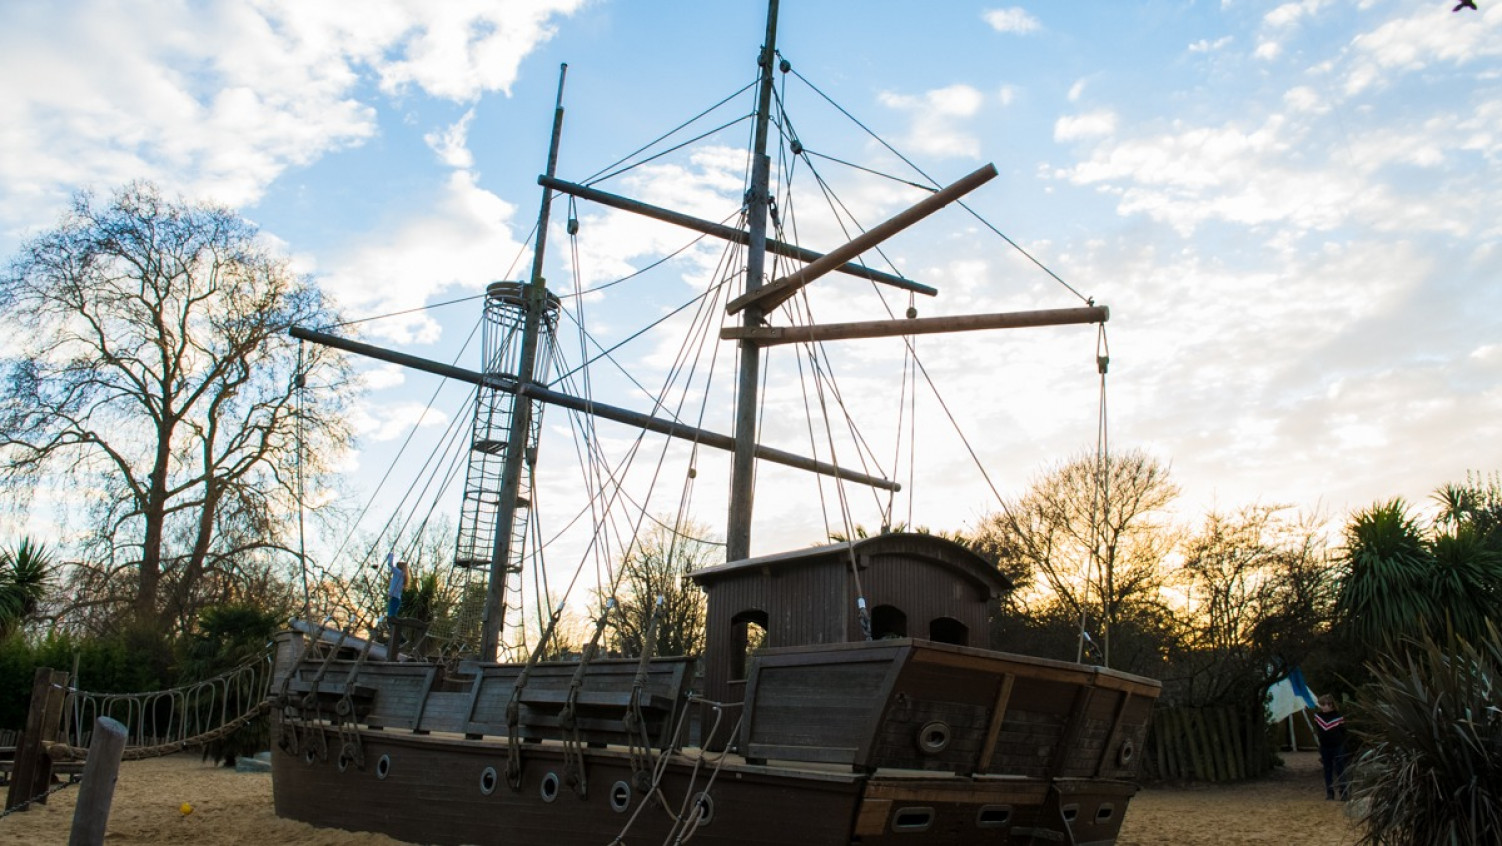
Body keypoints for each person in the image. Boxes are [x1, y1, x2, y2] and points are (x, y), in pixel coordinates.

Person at [1313, 693, 1349, 800]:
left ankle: (1344, 792)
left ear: (1331, 704)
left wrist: (1340, 741)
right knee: (1327, 770)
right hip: (1325, 747)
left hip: (1337, 746)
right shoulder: (1318, 717)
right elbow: (1319, 730)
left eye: (1325, 704)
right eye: (1321, 705)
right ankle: (1330, 793)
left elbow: (1343, 731)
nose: (1323, 707)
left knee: (1340, 769)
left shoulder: (1338, 717)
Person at [381, 554, 408, 625]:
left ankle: (392, 629)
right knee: (392, 615)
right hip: (396, 597)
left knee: (391, 616)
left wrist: (391, 556)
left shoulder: (399, 573)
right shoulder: (402, 575)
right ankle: (392, 628)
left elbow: (390, 565)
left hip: (394, 597)